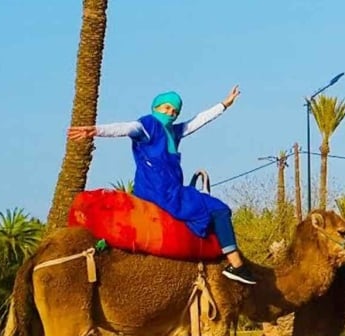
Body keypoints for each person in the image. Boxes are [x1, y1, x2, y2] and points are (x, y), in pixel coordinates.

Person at [68, 88, 256, 284]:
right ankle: (236, 265)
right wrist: (96, 130)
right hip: (161, 193)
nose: (170, 113)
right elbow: (126, 128)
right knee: (220, 209)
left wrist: (224, 105)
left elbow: (197, 121)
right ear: (156, 107)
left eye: (175, 111)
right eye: (167, 108)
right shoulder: (148, 126)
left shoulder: (173, 132)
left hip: (170, 190)